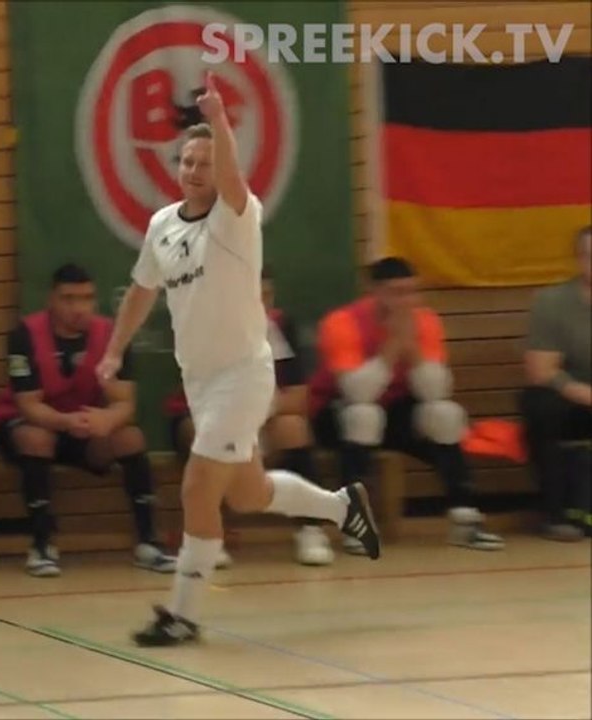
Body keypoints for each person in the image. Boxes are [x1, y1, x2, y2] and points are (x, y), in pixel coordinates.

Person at [97, 73, 381, 648]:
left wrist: (219, 118)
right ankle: (341, 506)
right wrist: (114, 348)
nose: (194, 170)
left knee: (198, 488)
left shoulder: (236, 215)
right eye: (187, 161)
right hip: (200, 381)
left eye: (205, 162)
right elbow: (142, 291)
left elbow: (231, 176)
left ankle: (182, 614)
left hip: (243, 374)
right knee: (247, 494)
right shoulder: (161, 225)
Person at [0, 263, 175, 577]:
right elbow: (28, 405)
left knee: (130, 438)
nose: (79, 308)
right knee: (36, 438)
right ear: (51, 299)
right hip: (31, 425)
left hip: (84, 426)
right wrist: (66, 422)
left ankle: (148, 542)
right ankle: (42, 545)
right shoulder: (24, 335)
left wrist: (107, 419)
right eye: (69, 299)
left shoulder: (112, 335)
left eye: (87, 298)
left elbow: (125, 402)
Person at [310, 257, 505, 552]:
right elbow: (358, 393)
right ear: (374, 291)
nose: (405, 301)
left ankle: (465, 519)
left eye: (411, 292)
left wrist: (411, 347)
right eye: (396, 293)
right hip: (336, 412)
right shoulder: (342, 322)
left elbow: (435, 390)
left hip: (395, 411)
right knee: (364, 414)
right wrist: (392, 345)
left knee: (446, 414)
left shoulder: (424, 320)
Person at [164, 266, 332, 565]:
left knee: (294, 428)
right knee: (203, 434)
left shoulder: (280, 325)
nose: (260, 303)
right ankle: (208, 536)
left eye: (267, 295)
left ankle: (310, 529)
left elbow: (298, 397)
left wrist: (264, 409)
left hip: (260, 417)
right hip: (208, 419)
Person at [519, 226, 591, 541]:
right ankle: (555, 513)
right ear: (579, 260)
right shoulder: (553, 302)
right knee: (540, 404)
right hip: (573, 398)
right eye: (588, 256)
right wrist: (586, 394)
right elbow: (541, 370)